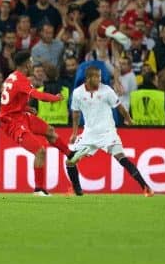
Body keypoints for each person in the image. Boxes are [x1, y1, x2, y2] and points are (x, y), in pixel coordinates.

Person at [0, 51, 76, 196]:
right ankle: (39, 189)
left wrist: (25, 107)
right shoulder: (21, 79)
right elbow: (37, 95)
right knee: (40, 151)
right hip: (12, 122)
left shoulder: (12, 77)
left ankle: (71, 154)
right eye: (31, 61)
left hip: (20, 115)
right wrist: (55, 98)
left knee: (50, 131)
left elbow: (8, 101)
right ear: (27, 63)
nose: (32, 63)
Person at [66, 66, 154, 197]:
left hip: (108, 132)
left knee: (121, 158)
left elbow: (120, 108)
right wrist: (74, 133)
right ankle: (77, 190)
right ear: (89, 78)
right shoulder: (78, 93)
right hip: (89, 134)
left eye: (100, 76)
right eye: (97, 77)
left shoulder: (107, 90)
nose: (99, 79)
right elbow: (76, 114)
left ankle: (145, 187)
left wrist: (129, 120)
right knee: (70, 161)